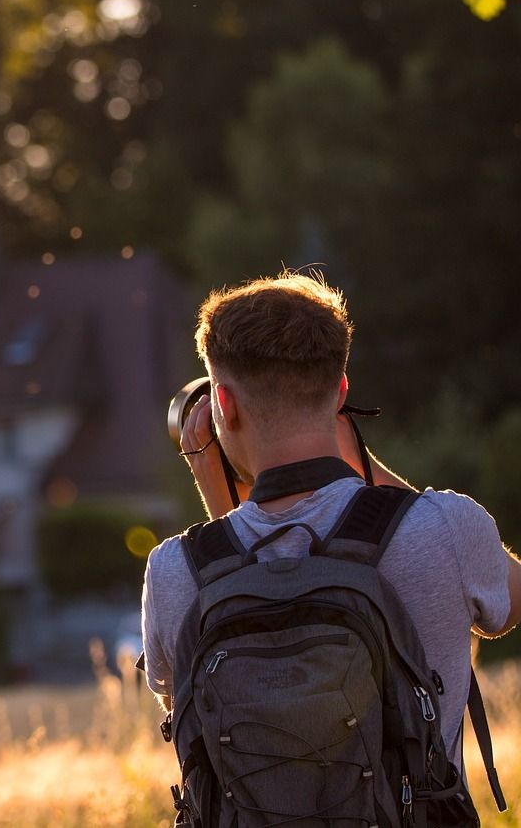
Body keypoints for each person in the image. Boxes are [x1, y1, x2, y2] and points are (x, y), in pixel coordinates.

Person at [139, 271, 521, 774]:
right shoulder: (445, 529)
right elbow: (511, 602)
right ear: (340, 390)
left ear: (223, 406)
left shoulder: (174, 571)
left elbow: (200, 724)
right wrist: (360, 463)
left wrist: (220, 512)